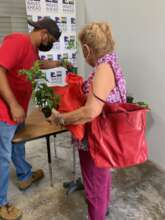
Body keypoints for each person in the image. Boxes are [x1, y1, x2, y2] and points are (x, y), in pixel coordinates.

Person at [49, 22, 127, 220]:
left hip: (96, 140)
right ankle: (103, 207)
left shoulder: (103, 70)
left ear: (86, 49)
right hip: (103, 138)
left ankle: (98, 213)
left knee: (94, 186)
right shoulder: (110, 63)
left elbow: (91, 111)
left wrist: (62, 118)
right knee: (100, 179)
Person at [0, 17, 66, 220]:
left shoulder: (32, 50)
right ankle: (1, 205)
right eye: (51, 40)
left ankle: (25, 176)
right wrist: (13, 104)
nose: (50, 44)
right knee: (2, 156)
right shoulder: (18, 41)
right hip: (5, 110)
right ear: (44, 33)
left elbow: (34, 65)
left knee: (19, 144)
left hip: (17, 111)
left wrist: (55, 63)